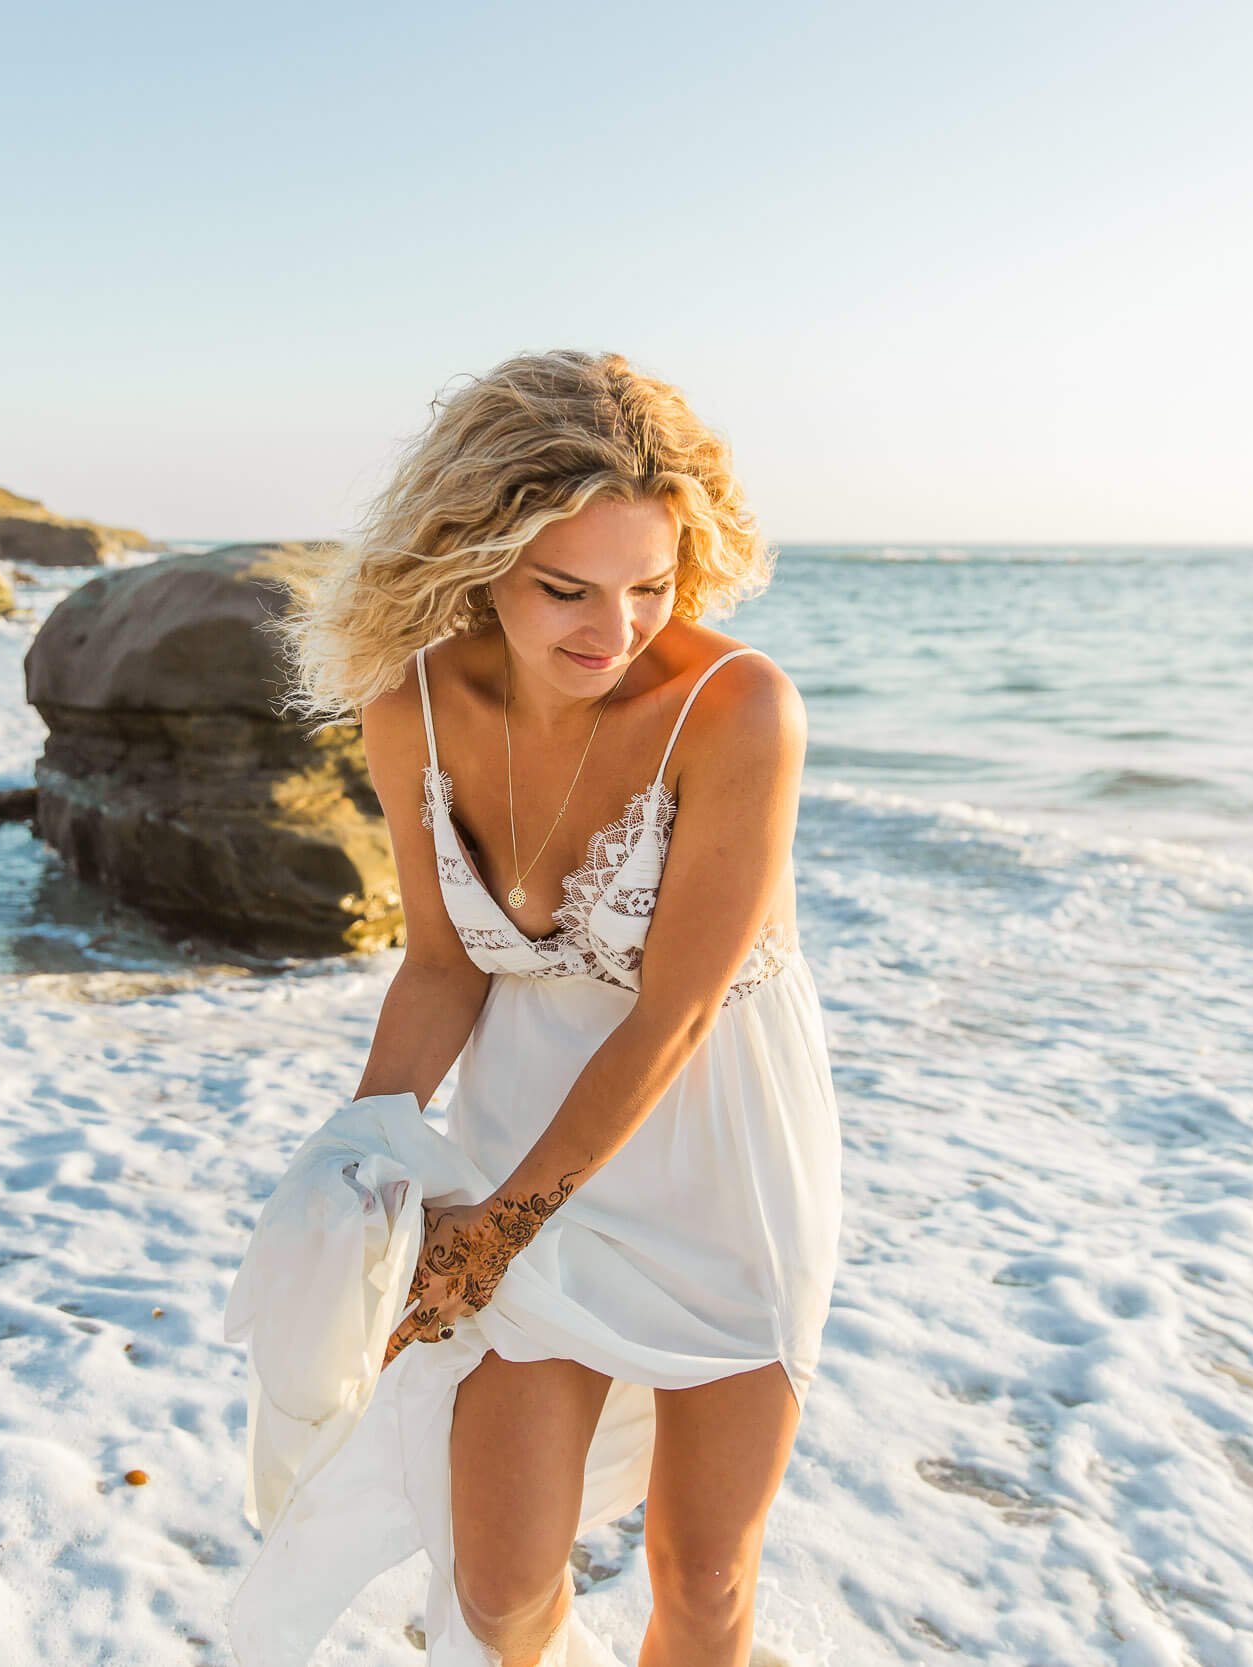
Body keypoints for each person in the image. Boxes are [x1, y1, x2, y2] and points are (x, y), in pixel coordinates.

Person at [256, 349, 844, 1666]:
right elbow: (443, 964)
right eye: (565, 588)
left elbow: (673, 1016)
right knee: (501, 1585)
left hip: (719, 1163)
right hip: (520, 1122)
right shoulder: (407, 700)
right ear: (473, 562)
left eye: (652, 585)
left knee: (699, 1579)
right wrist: (358, 1169)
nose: (616, 628)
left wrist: (495, 1232)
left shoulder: (738, 709)